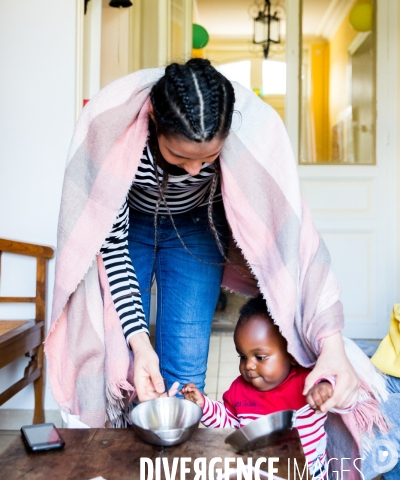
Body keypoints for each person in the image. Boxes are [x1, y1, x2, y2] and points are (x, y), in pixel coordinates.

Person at [47, 59, 371, 438]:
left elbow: (296, 243)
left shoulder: (249, 133)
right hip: (129, 227)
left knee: (184, 376)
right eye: (180, 157)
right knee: (124, 363)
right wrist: (140, 343)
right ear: (153, 120)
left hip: (197, 231)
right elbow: (112, 249)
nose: (194, 170)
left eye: (209, 159)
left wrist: (331, 345)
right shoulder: (117, 136)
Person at [182, 294, 346, 480]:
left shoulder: (309, 382)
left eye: (260, 357)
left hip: (312, 479)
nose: (249, 365)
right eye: (242, 356)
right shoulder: (239, 389)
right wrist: (204, 406)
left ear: (292, 354)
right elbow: (227, 423)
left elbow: (338, 387)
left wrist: (325, 388)